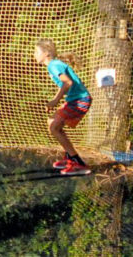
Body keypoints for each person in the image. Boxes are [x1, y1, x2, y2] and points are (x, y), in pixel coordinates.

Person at [33, 38, 92, 176]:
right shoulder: (53, 65)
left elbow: (68, 83)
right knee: (52, 124)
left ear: (46, 53)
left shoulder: (53, 65)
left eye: (36, 51)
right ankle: (70, 157)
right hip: (75, 99)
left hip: (80, 100)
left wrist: (55, 100)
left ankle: (78, 163)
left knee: (54, 126)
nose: (34, 55)